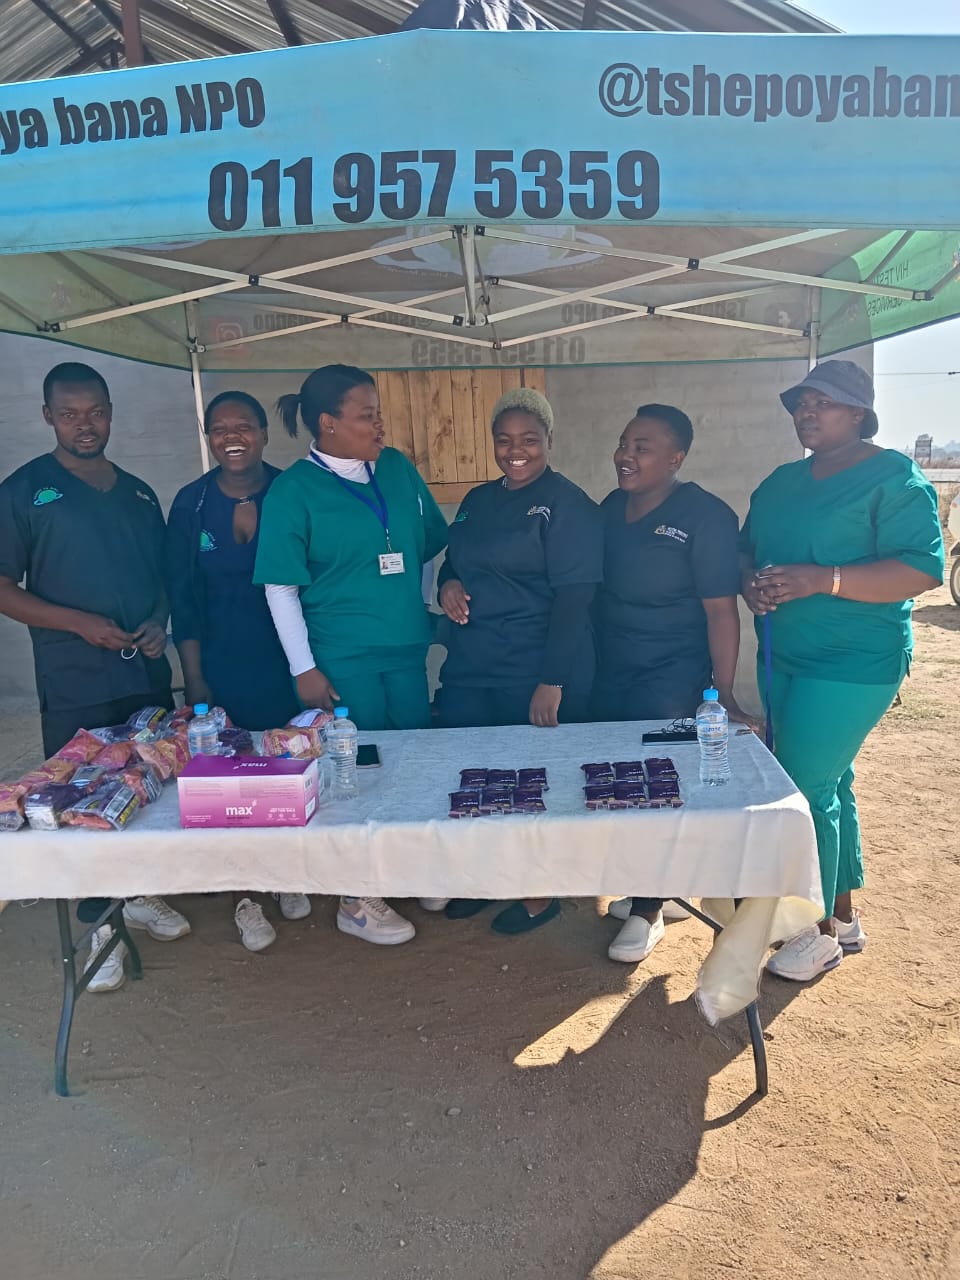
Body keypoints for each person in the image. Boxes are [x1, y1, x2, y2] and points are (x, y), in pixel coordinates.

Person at [741, 361, 943, 982]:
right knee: (831, 782)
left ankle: (814, 931)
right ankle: (844, 916)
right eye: (801, 401)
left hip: (854, 661)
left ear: (858, 412)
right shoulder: (780, 480)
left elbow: (921, 570)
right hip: (785, 651)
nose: (807, 411)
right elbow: (748, 550)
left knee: (802, 789)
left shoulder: (894, 477)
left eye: (823, 402)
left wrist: (821, 579)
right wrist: (750, 583)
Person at [0, 362, 190, 991]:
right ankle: (99, 929)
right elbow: (4, 587)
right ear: (49, 416)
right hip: (75, 675)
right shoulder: (25, 491)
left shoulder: (138, 493)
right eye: (71, 413)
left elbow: (162, 580)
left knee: (147, 785)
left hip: (144, 671)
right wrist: (78, 623)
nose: (86, 424)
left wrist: (160, 622)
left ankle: (135, 895)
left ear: (112, 412)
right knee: (80, 800)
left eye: (97, 411)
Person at [253, 364, 448, 947]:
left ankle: (411, 868)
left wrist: (429, 601)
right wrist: (303, 668)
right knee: (357, 774)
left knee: (413, 759)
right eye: (367, 416)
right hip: (341, 660)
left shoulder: (396, 469)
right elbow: (280, 588)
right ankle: (357, 897)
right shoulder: (294, 491)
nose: (379, 424)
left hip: (405, 648)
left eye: (378, 412)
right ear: (328, 424)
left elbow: (430, 545)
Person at [590, 403, 756, 965]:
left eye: (642, 447)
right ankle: (648, 883)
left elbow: (721, 611)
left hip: (670, 673)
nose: (625, 455)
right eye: (623, 443)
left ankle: (648, 909)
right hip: (610, 667)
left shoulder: (706, 517)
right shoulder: (612, 508)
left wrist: (725, 693)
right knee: (614, 780)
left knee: (654, 783)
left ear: (676, 457)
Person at [436, 387, 603, 935]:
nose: (516, 450)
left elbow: (575, 599)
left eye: (529, 439)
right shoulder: (478, 500)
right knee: (472, 776)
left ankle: (538, 893)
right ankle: (488, 881)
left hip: (534, 665)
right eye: (504, 440)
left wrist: (552, 681)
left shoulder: (567, 504)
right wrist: (449, 585)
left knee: (531, 782)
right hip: (472, 662)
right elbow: (452, 561)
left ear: (549, 441)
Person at [166, 390, 308, 953]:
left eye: (245, 425)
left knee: (288, 767)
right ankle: (244, 896)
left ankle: (288, 875)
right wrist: (194, 676)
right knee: (228, 780)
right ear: (206, 437)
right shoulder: (191, 504)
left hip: (287, 662)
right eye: (220, 427)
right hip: (220, 660)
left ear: (264, 435)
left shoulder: (291, 490)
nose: (233, 436)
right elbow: (183, 595)